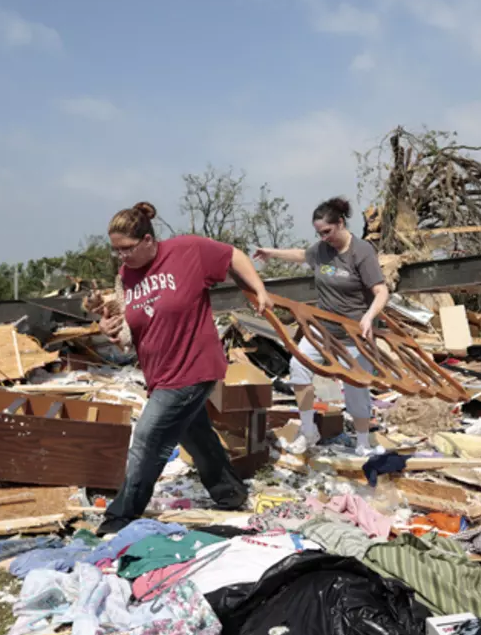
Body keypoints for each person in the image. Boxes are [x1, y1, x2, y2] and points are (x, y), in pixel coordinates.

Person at [92, 201, 273, 535]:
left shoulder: (188, 251)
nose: (122, 257)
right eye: (116, 251)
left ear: (148, 239)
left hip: (194, 367)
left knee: (148, 437)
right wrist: (113, 332)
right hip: (159, 373)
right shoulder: (126, 276)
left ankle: (121, 515)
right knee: (195, 434)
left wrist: (260, 289)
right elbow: (131, 334)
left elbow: (233, 255)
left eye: (127, 249)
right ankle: (229, 492)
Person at [254, 196, 388, 456]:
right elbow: (303, 255)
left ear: (340, 223)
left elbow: (381, 291)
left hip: (355, 334)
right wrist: (271, 252)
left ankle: (362, 442)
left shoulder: (361, 252)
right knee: (298, 366)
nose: (324, 237)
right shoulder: (322, 250)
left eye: (327, 232)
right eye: (319, 233)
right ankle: (308, 431)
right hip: (323, 329)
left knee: (356, 386)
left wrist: (369, 316)